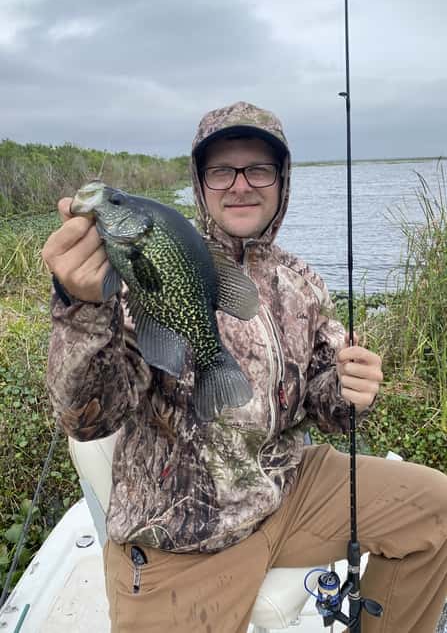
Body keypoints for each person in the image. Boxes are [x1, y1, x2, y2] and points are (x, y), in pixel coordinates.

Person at [42, 101, 447, 633]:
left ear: (281, 181)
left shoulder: (302, 280)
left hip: (285, 486)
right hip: (181, 533)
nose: (240, 185)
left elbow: (326, 406)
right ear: (200, 181)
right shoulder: (140, 271)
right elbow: (88, 417)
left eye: (258, 169)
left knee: (437, 509)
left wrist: (349, 390)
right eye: (221, 170)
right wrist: (80, 306)